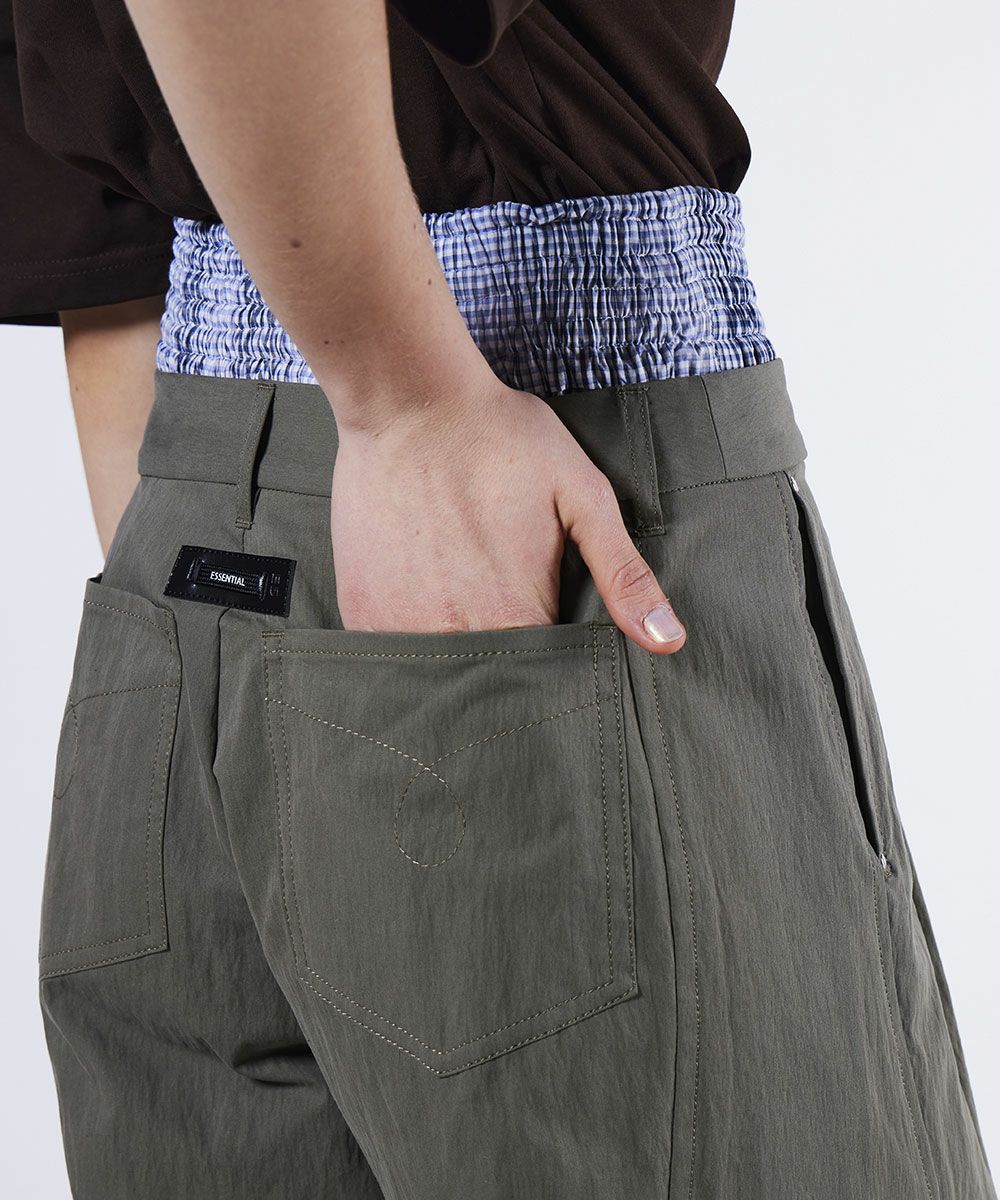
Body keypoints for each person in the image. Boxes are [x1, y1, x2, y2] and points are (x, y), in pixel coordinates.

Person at [2, 2, 996, 1197]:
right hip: (514, 474)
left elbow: (102, 255)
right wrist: (404, 401)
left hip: (182, 563)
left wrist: (213, 565)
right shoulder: (416, 407)